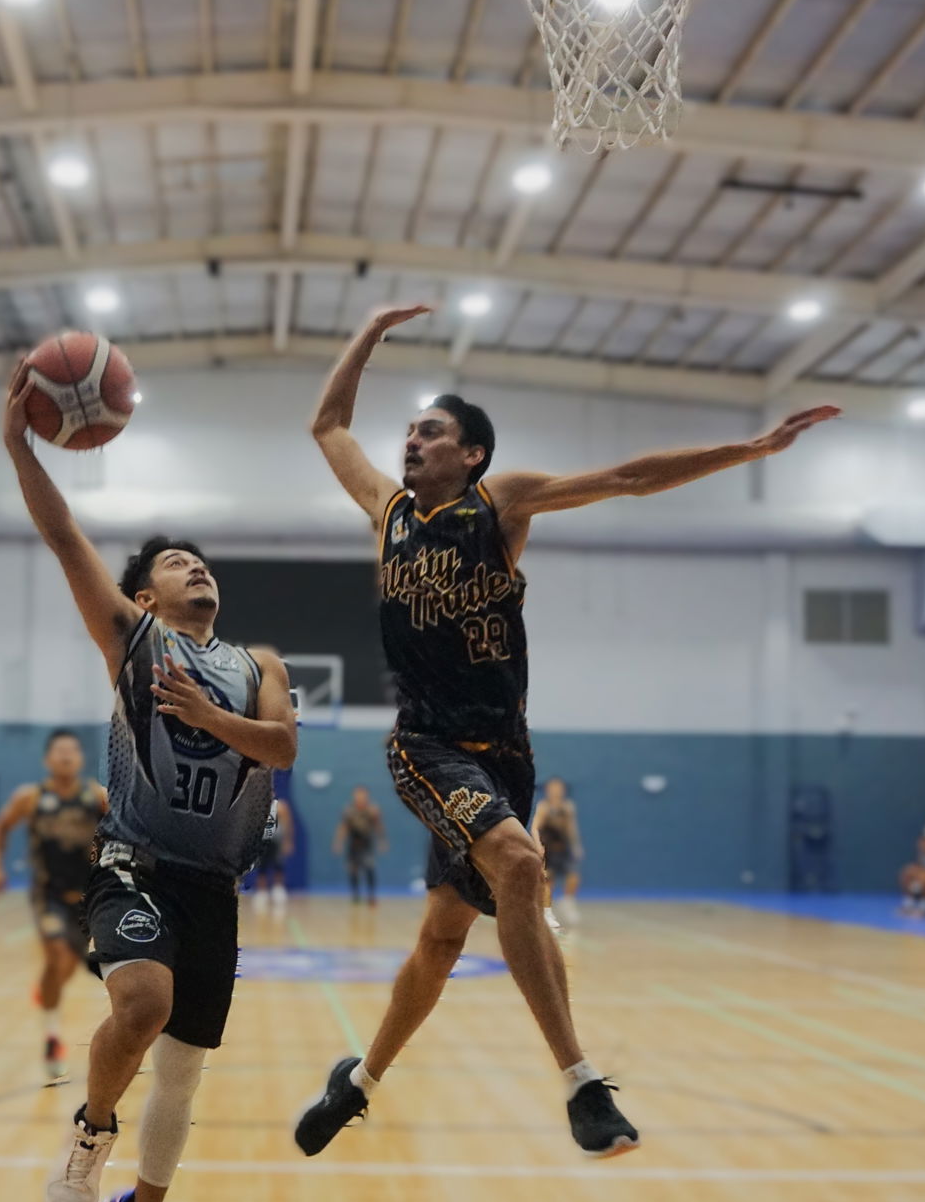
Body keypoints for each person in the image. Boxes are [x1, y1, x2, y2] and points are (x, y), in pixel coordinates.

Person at [297, 302, 839, 1158]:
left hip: (504, 751)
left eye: (430, 432)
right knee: (521, 862)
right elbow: (328, 424)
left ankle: (356, 1082)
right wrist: (366, 332)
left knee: (441, 940)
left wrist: (752, 449)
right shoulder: (388, 510)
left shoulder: (499, 503)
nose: (411, 443)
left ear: (472, 453)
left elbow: (628, 478)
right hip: (424, 745)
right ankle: (582, 1086)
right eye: (408, 432)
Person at [2, 364, 296, 1202]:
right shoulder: (133, 643)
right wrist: (20, 448)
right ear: (141, 593)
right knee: (143, 1001)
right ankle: (90, 1133)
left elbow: (281, 747)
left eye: (202, 562)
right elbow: (60, 535)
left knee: (183, 1071)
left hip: (217, 880)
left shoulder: (260, 663)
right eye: (175, 564)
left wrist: (215, 714)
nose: (195, 568)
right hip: (135, 857)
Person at [0, 729, 109, 1080]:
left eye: (72, 750)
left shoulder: (96, 796)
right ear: (48, 760)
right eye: (59, 751)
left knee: (65, 969)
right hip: (48, 894)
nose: (66, 756)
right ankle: (53, 1036)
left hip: (87, 895)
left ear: (80, 760)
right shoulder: (31, 797)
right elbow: (0, 828)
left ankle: (47, 988)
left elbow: (126, 824)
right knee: (59, 956)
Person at [531, 777, 583, 929]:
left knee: (573, 876)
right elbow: (535, 828)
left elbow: (571, 828)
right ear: (548, 790)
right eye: (553, 788)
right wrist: (537, 844)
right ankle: (546, 913)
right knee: (549, 881)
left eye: (558, 788)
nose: (556, 791)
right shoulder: (544, 807)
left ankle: (568, 902)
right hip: (548, 848)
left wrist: (575, 846)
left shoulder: (567, 807)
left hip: (563, 848)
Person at [333, 785, 387, 904]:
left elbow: (379, 826)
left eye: (362, 795)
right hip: (354, 844)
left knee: (369, 868)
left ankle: (371, 895)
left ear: (367, 796)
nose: (360, 797)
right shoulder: (349, 811)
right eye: (358, 795)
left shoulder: (372, 810)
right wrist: (339, 842)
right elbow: (343, 827)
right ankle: (356, 895)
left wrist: (382, 841)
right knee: (353, 870)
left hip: (366, 843)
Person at [250, 795, 295, 913]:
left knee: (278, 864)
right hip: (264, 841)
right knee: (262, 866)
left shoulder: (281, 807)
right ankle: (261, 892)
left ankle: (278, 889)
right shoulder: (259, 807)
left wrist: (287, 841)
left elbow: (288, 825)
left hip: (277, 841)